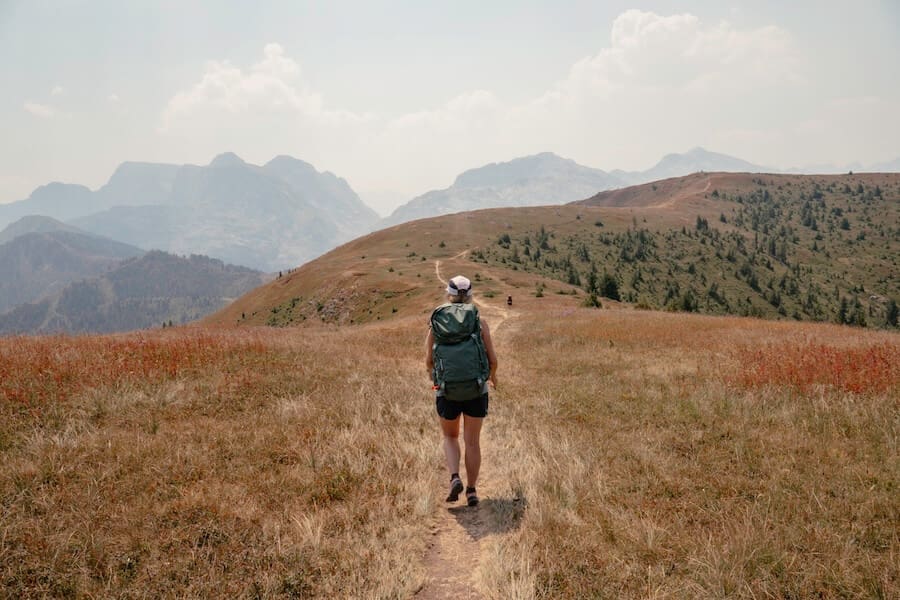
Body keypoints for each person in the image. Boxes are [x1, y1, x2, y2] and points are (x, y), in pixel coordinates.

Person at [425, 275, 498, 507]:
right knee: (473, 442)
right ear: (470, 296)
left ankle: (455, 476)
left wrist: (434, 378)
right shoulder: (479, 321)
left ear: (449, 294)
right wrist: (493, 377)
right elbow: (493, 359)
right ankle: (472, 491)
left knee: (450, 436)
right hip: (476, 389)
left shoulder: (437, 323)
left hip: (447, 390)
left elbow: (428, 360)